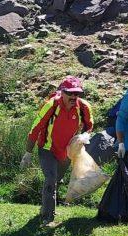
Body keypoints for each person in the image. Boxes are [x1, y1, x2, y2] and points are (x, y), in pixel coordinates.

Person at [20, 76, 94, 227]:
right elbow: (36, 128)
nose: (74, 97)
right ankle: (48, 219)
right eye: (70, 93)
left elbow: (89, 125)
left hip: (66, 152)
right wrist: (28, 153)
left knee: (56, 181)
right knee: (51, 180)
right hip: (47, 149)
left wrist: (85, 135)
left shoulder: (84, 107)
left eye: (77, 93)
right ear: (62, 92)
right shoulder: (52, 105)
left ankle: (44, 209)